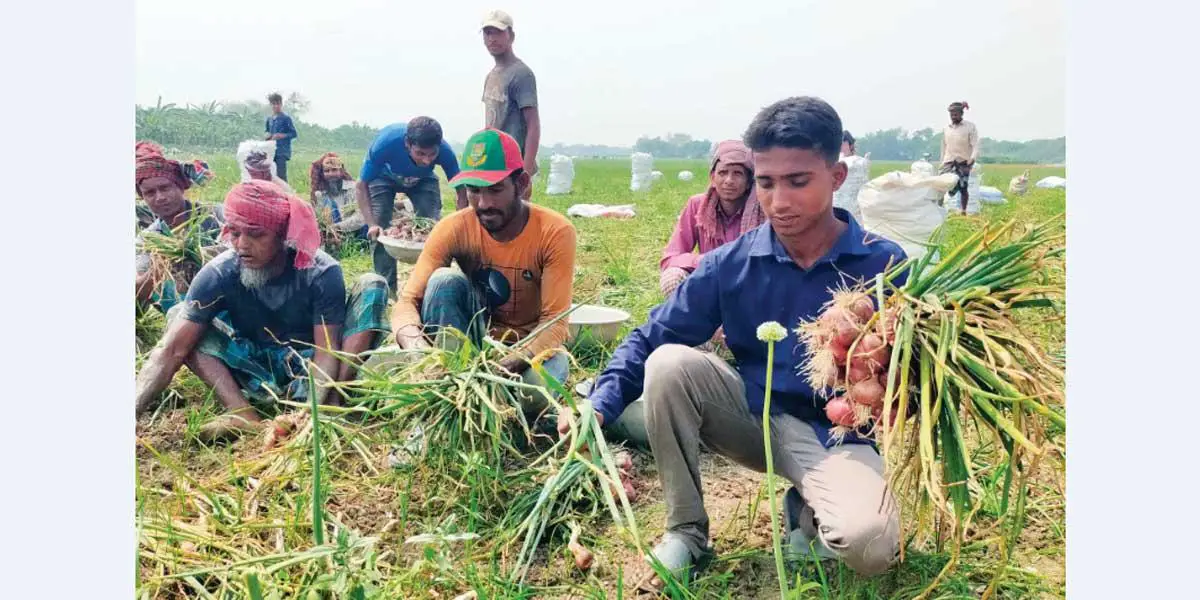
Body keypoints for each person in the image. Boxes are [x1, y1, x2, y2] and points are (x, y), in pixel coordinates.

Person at [578, 97, 906, 588]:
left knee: (871, 545)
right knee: (670, 363)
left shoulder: (882, 266)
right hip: (752, 415)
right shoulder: (731, 264)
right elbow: (653, 335)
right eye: (766, 182)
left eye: (798, 182)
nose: (778, 201)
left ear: (836, 177)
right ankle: (686, 532)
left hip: (837, 435)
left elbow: (915, 374)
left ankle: (809, 503)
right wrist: (600, 405)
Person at [134, 180, 391, 442]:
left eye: (256, 234)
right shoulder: (219, 273)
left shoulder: (321, 272)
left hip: (311, 369)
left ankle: (332, 404)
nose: (242, 245)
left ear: (283, 235)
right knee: (179, 315)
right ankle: (244, 414)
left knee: (373, 284)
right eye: (234, 233)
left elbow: (326, 350)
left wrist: (309, 413)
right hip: (254, 369)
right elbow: (169, 351)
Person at [391, 128, 574, 423]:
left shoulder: (554, 232)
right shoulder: (454, 227)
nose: (484, 203)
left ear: (522, 184)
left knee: (545, 382)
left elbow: (555, 327)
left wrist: (500, 368)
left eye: (495, 189)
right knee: (442, 282)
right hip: (470, 348)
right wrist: (418, 349)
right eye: (474, 190)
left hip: (526, 353)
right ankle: (449, 393)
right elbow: (406, 303)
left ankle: (483, 408)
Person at [657, 140, 765, 354]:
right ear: (712, 177)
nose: (729, 181)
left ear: (749, 180)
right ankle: (704, 347)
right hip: (707, 291)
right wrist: (711, 261)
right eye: (723, 172)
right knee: (672, 277)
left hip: (747, 293)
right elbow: (670, 257)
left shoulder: (761, 210)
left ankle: (725, 349)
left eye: (737, 174)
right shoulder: (697, 205)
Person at [356, 117, 469, 295]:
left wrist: (462, 220)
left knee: (431, 225)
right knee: (379, 227)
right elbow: (361, 185)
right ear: (407, 144)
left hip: (422, 180)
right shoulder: (385, 144)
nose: (426, 160)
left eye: (432, 155)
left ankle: (431, 287)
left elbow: (461, 190)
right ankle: (388, 289)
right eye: (420, 154)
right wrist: (371, 224)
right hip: (383, 178)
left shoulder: (445, 151)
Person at [134, 141, 222, 313]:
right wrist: (161, 265)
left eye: (165, 188)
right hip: (183, 315)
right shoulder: (149, 239)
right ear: (142, 197)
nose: (159, 197)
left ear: (180, 187)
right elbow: (136, 290)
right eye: (150, 193)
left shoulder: (216, 215)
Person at [480, 10, 540, 201]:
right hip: (494, 162)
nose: (492, 38)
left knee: (514, 221)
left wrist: (527, 173)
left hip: (514, 166)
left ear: (511, 36)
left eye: (498, 32)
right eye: (487, 33)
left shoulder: (521, 74)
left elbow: (533, 125)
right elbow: (491, 122)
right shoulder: (491, 76)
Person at [940, 101, 980, 215]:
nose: (953, 116)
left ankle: (963, 211)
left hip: (964, 161)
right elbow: (944, 146)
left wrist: (972, 158)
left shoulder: (969, 127)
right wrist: (942, 161)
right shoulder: (946, 128)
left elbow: (975, 145)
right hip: (949, 161)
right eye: (951, 114)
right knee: (941, 184)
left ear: (961, 114)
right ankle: (939, 207)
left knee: (963, 187)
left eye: (956, 114)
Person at [264, 93, 298, 183]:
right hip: (271, 150)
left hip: (282, 151)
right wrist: (267, 136)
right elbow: (267, 131)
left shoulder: (286, 118)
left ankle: (286, 195)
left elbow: (294, 133)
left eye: (278, 104)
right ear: (270, 105)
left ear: (281, 104)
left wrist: (282, 135)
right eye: (274, 104)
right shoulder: (269, 119)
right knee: (270, 174)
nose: (276, 106)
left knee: (281, 175)